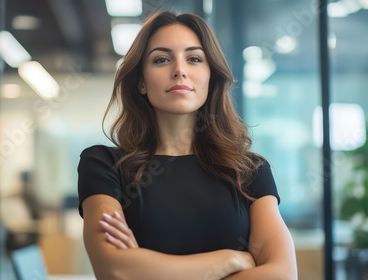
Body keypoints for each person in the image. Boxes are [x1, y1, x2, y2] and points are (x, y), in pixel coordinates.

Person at [77, 10, 297, 280]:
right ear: (142, 82)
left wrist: (148, 270)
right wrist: (230, 259)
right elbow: (115, 269)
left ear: (210, 76)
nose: (179, 70)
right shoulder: (104, 165)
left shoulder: (250, 170)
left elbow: (282, 274)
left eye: (194, 59)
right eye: (161, 59)